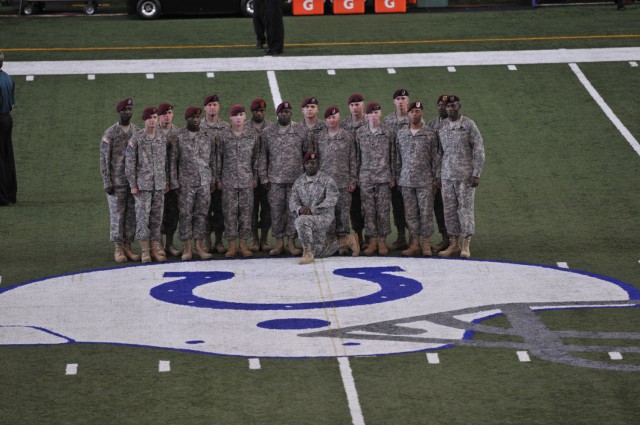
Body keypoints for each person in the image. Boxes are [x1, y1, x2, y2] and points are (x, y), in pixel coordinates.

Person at [259, 101, 311, 256]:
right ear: (277, 114)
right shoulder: (268, 132)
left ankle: (291, 243)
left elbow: (308, 155)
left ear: (291, 114)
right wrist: (264, 178)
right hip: (275, 180)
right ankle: (279, 242)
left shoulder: (301, 131)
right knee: (276, 211)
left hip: (296, 180)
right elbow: (263, 156)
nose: (284, 114)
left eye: (287, 112)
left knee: (293, 211)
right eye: (282, 112)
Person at [437, 95, 485, 258]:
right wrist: (438, 175)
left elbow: (478, 149)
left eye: (453, 106)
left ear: (459, 106)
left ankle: (466, 245)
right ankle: (453, 244)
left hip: (465, 177)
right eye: (448, 106)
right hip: (447, 176)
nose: (450, 109)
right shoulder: (442, 126)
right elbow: (439, 153)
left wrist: (476, 173)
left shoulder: (468, 125)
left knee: (465, 209)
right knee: (449, 211)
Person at [290, 152, 359, 265]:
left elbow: (332, 199)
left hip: (323, 217)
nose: (310, 165)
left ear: (318, 164)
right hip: (309, 219)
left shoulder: (327, 180)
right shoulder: (298, 182)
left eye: (313, 162)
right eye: (307, 163)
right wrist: (299, 209)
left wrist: (313, 210)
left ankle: (307, 254)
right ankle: (346, 241)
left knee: (300, 221)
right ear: (304, 165)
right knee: (318, 251)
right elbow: (292, 202)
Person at [170, 106, 216, 261]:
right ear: (187, 119)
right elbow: (173, 162)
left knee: (202, 215)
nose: (196, 120)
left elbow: (213, 160)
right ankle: (187, 248)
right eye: (192, 118)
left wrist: (213, 179)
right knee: (185, 215)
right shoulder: (179, 136)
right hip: (186, 184)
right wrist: (174, 182)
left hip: (204, 182)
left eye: (197, 117)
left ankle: (199, 247)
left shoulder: (206, 135)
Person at [396, 101, 441, 256]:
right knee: (410, 213)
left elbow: (435, 158)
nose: (414, 114)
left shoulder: (429, 134)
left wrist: (436, 179)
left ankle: (426, 243)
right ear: (407, 114)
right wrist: (398, 177)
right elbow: (397, 158)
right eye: (412, 112)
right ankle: (414, 243)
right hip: (406, 181)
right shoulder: (401, 133)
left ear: (422, 113)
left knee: (426, 212)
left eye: (417, 111)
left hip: (425, 181)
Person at [125, 106, 169, 263]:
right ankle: (145, 250)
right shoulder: (136, 138)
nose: (153, 120)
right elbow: (129, 163)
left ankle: (155, 248)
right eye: (150, 117)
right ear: (144, 120)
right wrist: (133, 184)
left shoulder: (161, 137)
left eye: (155, 117)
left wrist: (165, 181)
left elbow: (165, 161)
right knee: (143, 218)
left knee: (157, 218)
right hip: (142, 186)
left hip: (159, 185)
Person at [99, 98, 141, 263]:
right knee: (117, 215)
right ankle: (118, 248)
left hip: (133, 183)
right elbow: (104, 159)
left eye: (130, 109)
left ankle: (128, 247)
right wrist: (107, 182)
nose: (127, 113)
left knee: (131, 215)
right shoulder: (110, 133)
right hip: (116, 183)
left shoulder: (136, 132)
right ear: (119, 112)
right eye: (124, 110)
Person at [217, 104, 260, 258]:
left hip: (246, 180)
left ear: (245, 117)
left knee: (246, 214)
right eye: (235, 115)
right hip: (228, 181)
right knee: (229, 214)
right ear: (230, 117)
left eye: (241, 115)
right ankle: (232, 246)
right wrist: (218, 178)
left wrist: (255, 176)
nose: (238, 118)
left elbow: (256, 158)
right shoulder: (224, 135)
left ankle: (243, 245)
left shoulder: (252, 135)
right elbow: (218, 158)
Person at [315, 105, 357, 254]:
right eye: (328, 118)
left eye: (334, 117)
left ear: (339, 117)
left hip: (344, 182)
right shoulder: (319, 137)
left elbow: (353, 159)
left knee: (343, 214)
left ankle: (343, 243)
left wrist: (353, 180)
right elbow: (315, 161)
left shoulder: (348, 136)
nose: (331, 120)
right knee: (328, 214)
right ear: (325, 120)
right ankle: (331, 242)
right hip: (325, 184)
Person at [356, 102, 396, 256]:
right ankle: (372, 241)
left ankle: (382, 241)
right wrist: (357, 176)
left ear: (380, 113)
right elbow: (357, 157)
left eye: (376, 112)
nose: (373, 116)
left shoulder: (388, 132)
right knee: (369, 211)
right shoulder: (360, 133)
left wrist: (392, 175)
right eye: (370, 113)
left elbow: (393, 155)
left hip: (384, 177)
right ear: (366, 115)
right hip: (366, 178)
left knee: (383, 211)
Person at [200, 94, 229, 255]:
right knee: (204, 210)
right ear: (205, 108)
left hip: (222, 177)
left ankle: (218, 241)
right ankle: (207, 241)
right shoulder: (199, 127)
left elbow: (229, 154)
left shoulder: (225, 127)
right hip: (204, 178)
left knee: (220, 210)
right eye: (209, 104)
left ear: (219, 107)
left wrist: (221, 177)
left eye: (215, 104)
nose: (212, 107)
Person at [384, 88, 411, 251]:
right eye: (398, 99)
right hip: (393, 169)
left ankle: (415, 238)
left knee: (413, 206)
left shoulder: (415, 118)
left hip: (411, 170)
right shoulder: (387, 121)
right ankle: (401, 236)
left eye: (403, 98)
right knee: (397, 205)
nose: (401, 101)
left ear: (408, 100)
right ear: (394, 102)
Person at [340, 93, 367, 248]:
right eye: (352, 105)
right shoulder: (344, 125)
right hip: (350, 173)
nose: (355, 107)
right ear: (349, 107)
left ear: (363, 105)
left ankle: (372, 238)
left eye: (358, 104)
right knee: (354, 207)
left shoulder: (369, 122)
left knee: (369, 208)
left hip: (369, 172)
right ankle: (358, 237)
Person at [247, 98, 272, 252]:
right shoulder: (245, 128)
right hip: (249, 177)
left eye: (262, 110)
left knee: (267, 209)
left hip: (268, 176)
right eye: (257, 111)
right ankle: (255, 240)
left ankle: (264, 238)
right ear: (252, 112)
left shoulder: (271, 127)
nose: (260, 113)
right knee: (252, 209)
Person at [427, 94, 450, 253]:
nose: (443, 107)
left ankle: (455, 240)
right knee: (438, 207)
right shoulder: (432, 123)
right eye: (440, 104)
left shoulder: (458, 124)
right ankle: (445, 238)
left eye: (446, 105)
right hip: (435, 172)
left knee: (452, 207)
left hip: (451, 172)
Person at [157, 102, 181, 257]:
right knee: (157, 214)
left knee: (173, 213)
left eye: (170, 113)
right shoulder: (151, 131)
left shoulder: (179, 133)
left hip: (175, 181)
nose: (167, 116)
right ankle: (157, 245)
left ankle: (169, 244)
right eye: (164, 113)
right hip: (156, 182)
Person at [0, 51, 17, 206]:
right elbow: (11, 104)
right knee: (7, 156)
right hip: (6, 118)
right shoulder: (7, 77)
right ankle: (11, 194)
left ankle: (2, 197)